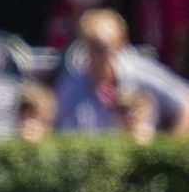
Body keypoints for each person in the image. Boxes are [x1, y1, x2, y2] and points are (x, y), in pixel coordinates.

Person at [54, 9, 189, 136]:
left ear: (120, 44)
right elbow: (58, 131)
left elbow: (185, 101)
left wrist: (169, 151)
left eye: (104, 46)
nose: (100, 53)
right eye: (93, 45)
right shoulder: (70, 85)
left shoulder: (141, 72)